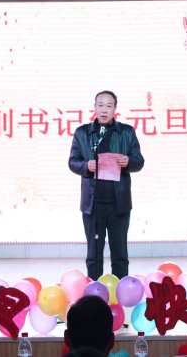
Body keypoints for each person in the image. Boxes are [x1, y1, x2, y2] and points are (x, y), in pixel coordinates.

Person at [69, 90, 144, 280]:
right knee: (94, 255)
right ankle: (95, 292)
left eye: (109, 106)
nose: (104, 110)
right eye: (100, 105)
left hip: (119, 204)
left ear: (115, 109)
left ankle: (121, 291)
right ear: (94, 107)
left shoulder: (126, 132)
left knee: (120, 254)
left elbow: (139, 161)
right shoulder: (82, 133)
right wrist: (86, 166)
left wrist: (129, 161)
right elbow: (72, 162)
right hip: (93, 205)